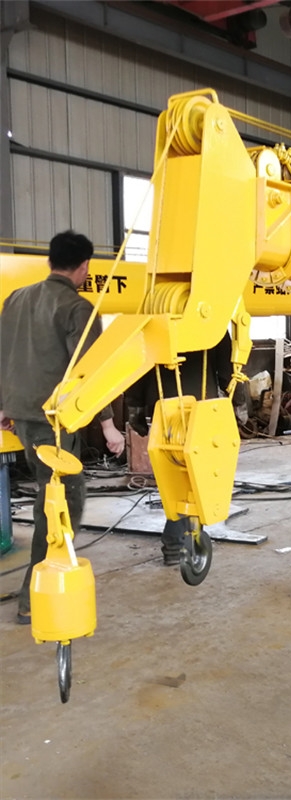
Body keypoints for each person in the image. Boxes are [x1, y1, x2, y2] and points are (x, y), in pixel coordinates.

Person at [0, 230, 126, 624]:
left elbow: (5, 353)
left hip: (22, 417)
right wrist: (109, 425)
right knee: (60, 502)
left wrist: (5, 404)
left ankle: (43, 584)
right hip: (51, 422)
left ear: (51, 260)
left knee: (50, 496)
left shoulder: (15, 298)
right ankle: (35, 597)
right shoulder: (78, 308)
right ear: (85, 266)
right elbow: (89, 374)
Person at [125, 332, 244, 565]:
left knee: (174, 474)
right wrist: (239, 403)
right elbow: (229, 369)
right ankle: (178, 542)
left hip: (162, 407)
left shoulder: (151, 319)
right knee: (195, 477)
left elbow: (137, 363)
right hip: (199, 407)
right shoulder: (213, 322)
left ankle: (181, 540)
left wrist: (135, 408)